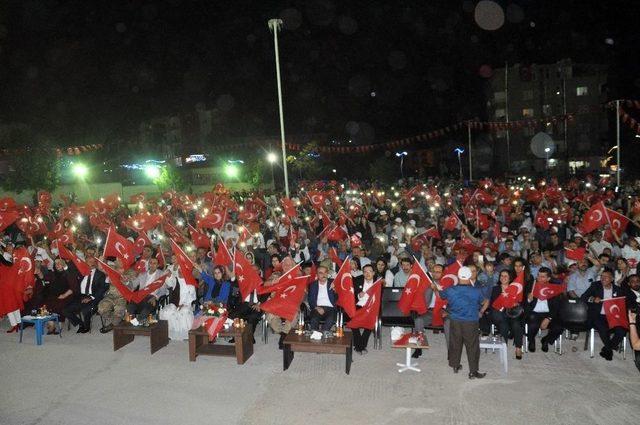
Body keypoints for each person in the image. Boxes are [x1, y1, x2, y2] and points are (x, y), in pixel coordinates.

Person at [433, 266, 489, 379]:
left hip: (455, 321)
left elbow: (439, 295)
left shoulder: (450, 290)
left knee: (455, 343)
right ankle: (473, 371)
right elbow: (485, 302)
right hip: (471, 322)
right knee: (472, 346)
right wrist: (481, 311)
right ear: (470, 276)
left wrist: (435, 288)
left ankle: (455, 365)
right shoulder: (476, 291)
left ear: (458, 276)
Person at [581, 269, 627, 361]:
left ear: (612, 279)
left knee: (622, 330)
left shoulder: (618, 290)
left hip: (612, 316)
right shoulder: (595, 285)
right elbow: (583, 297)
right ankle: (609, 350)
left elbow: (621, 304)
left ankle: (607, 348)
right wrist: (593, 299)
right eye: (601, 276)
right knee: (603, 328)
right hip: (598, 315)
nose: (603, 278)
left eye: (606, 277)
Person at [63, 256, 107, 333]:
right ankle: (80, 324)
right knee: (66, 310)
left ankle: (87, 326)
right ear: (85, 262)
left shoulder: (100, 275)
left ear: (96, 263)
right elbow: (71, 275)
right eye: (89, 261)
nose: (91, 263)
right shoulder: (81, 272)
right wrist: (65, 267)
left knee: (86, 310)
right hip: (80, 296)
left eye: (93, 261)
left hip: (93, 297)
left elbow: (102, 289)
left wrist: (91, 297)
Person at [525, 267, 564, 352]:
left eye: (542, 277)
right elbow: (524, 304)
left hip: (549, 313)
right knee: (532, 323)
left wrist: (548, 318)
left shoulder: (554, 288)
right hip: (534, 313)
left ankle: (546, 340)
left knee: (559, 327)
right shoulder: (531, 285)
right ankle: (531, 340)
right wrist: (528, 299)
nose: (539, 278)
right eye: (538, 276)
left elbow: (556, 307)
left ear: (548, 278)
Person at [490, 269, 524, 359]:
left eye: (506, 276)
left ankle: (518, 348)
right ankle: (504, 347)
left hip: (512, 313)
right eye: (501, 276)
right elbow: (492, 304)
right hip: (499, 313)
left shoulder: (514, 288)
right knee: (503, 324)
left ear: (510, 278)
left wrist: (516, 303)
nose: (503, 278)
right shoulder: (495, 289)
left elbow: (520, 302)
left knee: (516, 325)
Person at [160, 267, 196, 340]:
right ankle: (170, 333)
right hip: (175, 304)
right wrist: (169, 275)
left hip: (186, 304)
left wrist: (183, 304)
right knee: (167, 311)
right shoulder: (175, 280)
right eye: (179, 271)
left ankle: (184, 335)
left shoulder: (190, 282)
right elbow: (170, 281)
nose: (180, 272)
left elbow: (192, 296)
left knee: (183, 312)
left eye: (182, 271)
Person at [97, 261, 130, 333]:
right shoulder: (112, 273)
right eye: (118, 268)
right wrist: (100, 260)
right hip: (111, 296)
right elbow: (101, 268)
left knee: (118, 311)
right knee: (101, 308)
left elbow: (133, 288)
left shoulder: (129, 274)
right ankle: (117, 321)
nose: (120, 270)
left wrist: (127, 282)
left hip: (122, 297)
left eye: (122, 268)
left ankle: (112, 325)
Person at [352, 263, 377, 354]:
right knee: (353, 321)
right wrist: (359, 295)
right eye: (365, 272)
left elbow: (380, 298)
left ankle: (360, 346)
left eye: (370, 271)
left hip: (371, 307)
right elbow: (353, 296)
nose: (367, 274)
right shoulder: (357, 281)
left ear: (373, 273)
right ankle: (361, 345)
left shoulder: (378, 282)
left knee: (371, 322)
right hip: (359, 305)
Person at [307, 265, 337, 331]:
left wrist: (336, 290)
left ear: (327, 273)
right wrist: (316, 307)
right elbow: (310, 299)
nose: (324, 275)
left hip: (331, 308)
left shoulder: (333, 283)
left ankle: (323, 334)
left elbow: (339, 298)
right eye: (321, 273)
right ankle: (315, 335)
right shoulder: (313, 285)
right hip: (317, 307)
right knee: (314, 319)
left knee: (330, 320)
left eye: (325, 272)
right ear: (317, 275)